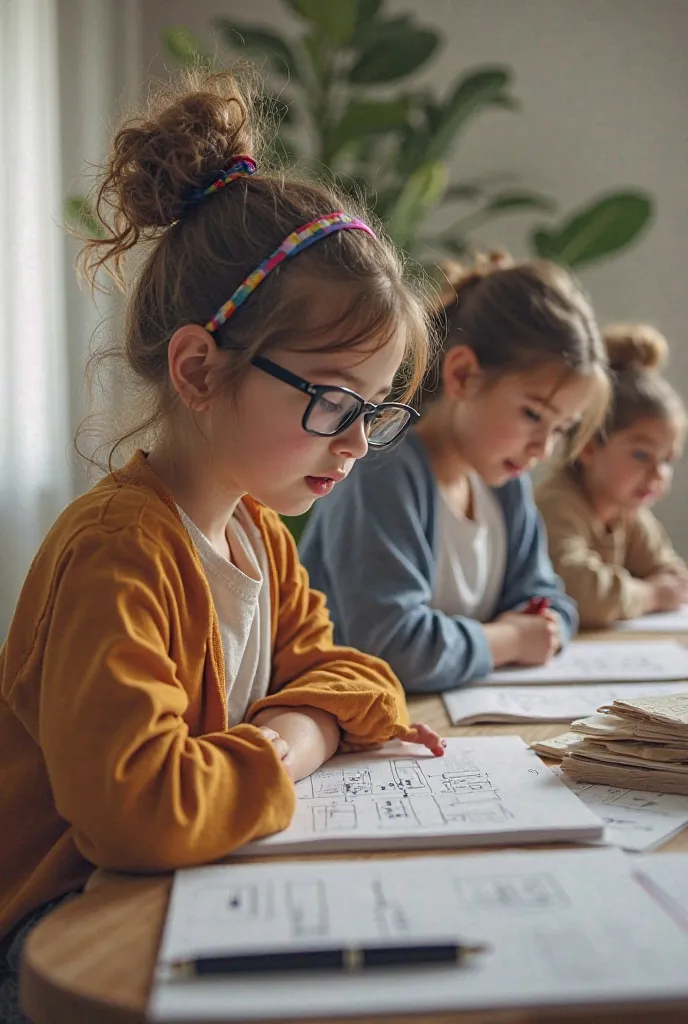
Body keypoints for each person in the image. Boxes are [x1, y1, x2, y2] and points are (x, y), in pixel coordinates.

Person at [0, 70, 443, 1021]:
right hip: (60, 933)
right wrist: (296, 735)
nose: (359, 441)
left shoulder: (254, 530)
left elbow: (359, 678)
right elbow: (137, 812)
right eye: (332, 400)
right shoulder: (120, 554)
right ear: (200, 368)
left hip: (188, 884)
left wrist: (309, 719)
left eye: (376, 409)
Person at [301, 254, 610, 692]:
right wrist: (508, 639)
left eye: (560, 428)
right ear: (463, 375)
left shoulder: (506, 485)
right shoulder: (382, 468)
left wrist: (540, 627)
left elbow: (549, 602)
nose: (543, 447)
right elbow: (395, 649)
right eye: (532, 414)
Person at [536, 323, 688, 628]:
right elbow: (582, 593)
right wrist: (654, 595)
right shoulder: (557, 504)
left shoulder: (629, 513)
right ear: (588, 447)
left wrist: (660, 587)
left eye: (668, 460)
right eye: (642, 455)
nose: (658, 474)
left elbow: (674, 575)